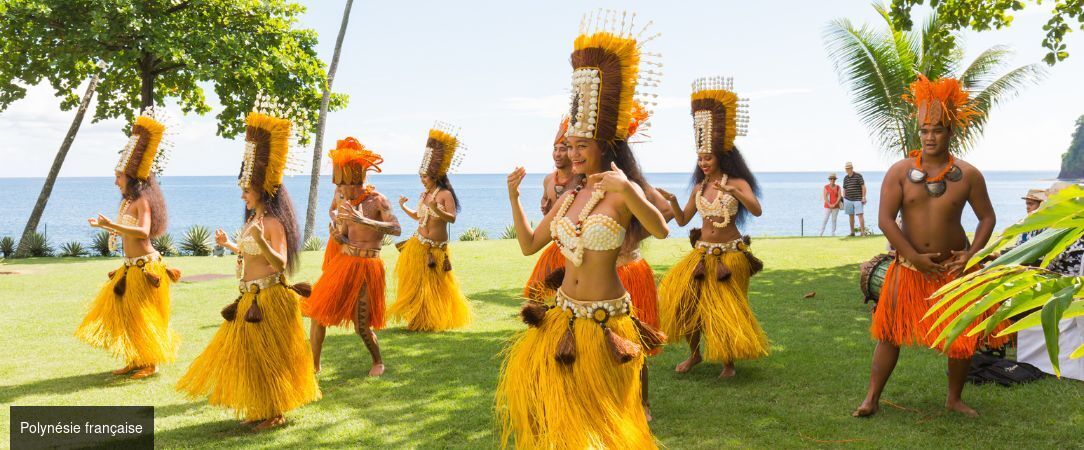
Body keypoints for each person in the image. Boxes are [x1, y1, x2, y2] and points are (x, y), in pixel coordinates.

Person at [496, 10, 669, 448]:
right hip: (564, 317)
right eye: (569, 146)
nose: (572, 154)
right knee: (560, 421)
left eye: (581, 146)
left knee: (608, 422)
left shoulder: (618, 192)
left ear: (603, 146)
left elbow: (662, 230)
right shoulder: (569, 197)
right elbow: (528, 246)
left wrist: (630, 189)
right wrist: (514, 198)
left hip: (606, 321)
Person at [854, 75, 999, 418]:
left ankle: (954, 398)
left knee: (960, 335)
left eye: (937, 130)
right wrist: (913, 256)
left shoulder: (969, 174)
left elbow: (987, 219)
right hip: (908, 267)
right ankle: (871, 398)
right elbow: (886, 220)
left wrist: (971, 254)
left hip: (953, 269)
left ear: (951, 133)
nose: (930, 136)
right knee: (889, 333)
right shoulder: (900, 172)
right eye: (924, 130)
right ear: (918, 132)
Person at [176, 98, 320, 430]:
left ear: (261, 191)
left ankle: (276, 413)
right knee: (252, 358)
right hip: (249, 298)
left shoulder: (272, 223)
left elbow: (280, 262)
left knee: (269, 358)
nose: (243, 195)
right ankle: (261, 409)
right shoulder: (254, 220)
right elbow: (248, 253)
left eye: (246, 190)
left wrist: (266, 242)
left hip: (268, 299)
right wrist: (229, 243)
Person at [658, 76, 768, 379]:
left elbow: (756, 211)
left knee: (723, 307)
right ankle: (694, 355)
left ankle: (728, 363)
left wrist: (736, 194)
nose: (703, 162)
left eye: (708, 157)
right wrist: (672, 203)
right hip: (702, 255)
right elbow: (683, 220)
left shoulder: (737, 183)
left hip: (730, 256)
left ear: (722, 156)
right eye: (700, 158)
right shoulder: (700, 186)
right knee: (686, 302)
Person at [78, 108, 180, 380]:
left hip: (147, 269)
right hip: (130, 267)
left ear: (131, 178)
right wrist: (109, 226)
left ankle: (151, 362)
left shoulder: (143, 201)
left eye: (119, 176)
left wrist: (109, 225)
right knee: (129, 315)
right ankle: (135, 359)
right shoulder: (126, 201)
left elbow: (142, 231)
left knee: (143, 315)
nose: (115, 180)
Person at [302, 137, 400, 377]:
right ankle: (314, 366)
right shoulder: (345, 202)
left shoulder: (378, 200)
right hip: (344, 263)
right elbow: (345, 235)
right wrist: (338, 236)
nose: (341, 192)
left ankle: (377, 361)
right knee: (317, 313)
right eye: (339, 186)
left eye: (344, 187)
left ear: (358, 182)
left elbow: (396, 228)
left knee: (361, 326)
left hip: (368, 266)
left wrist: (364, 220)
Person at [390, 123, 471, 331]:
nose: (422, 181)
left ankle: (431, 319)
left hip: (436, 249)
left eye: (424, 177)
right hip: (419, 244)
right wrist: (403, 206)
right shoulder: (424, 195)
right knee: (418, 286)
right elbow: (419, 217)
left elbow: (451, 218)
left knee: (435, 287)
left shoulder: (444, 195)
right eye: (420, 177)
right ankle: (418, 318)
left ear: (435, 176)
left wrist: (438, 208)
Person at [522, 116, 576, 300]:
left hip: (577, 250)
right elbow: (546, 206)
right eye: (555, 149)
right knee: (537, 295)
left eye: (563, 149)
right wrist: (546, 208)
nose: (558, 154)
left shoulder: (582, 179)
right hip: (556, 245)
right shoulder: (547, 180)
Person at [843, 162, 867, 236]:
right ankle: (852, 232)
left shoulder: (858, 176)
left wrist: (863, 197)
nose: (848, 169)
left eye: (849, 168)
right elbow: (844, 188)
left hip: (858, 199)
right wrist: (844, 198)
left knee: (860, 215)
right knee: (851, 216)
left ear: (852, 168)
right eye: (847, 168)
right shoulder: (845, 178)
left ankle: (862, 232)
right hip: (848, 199)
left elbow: (863, 187)